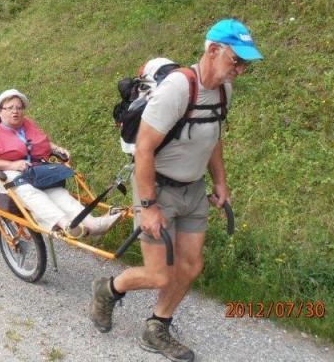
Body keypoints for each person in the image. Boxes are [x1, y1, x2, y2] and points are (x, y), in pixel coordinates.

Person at [90, 19, 264, 362]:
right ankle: (107, 290)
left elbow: (212, 138)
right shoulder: (178, 89)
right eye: (237, 60)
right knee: (158, 274)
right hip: (158, 190)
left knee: (190, 266)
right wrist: (149, 205)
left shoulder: (224, 90)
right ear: (213, 50)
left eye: (246, 64)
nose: (240, 70)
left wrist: (220, 183)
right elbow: (143, 149)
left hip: (194, 190)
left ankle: (157, 326)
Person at [0, 89, 122, 237]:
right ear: (0, 111)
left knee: (58, 193)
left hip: (35, 171)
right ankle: (66, 225)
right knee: (26, 189)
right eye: (10, 108)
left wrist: (56, 148)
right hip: (5, 176)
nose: (15, 111)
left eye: (19, 107)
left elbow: (42, 142)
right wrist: (11, 165)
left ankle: (93, 224)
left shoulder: (27, 124)